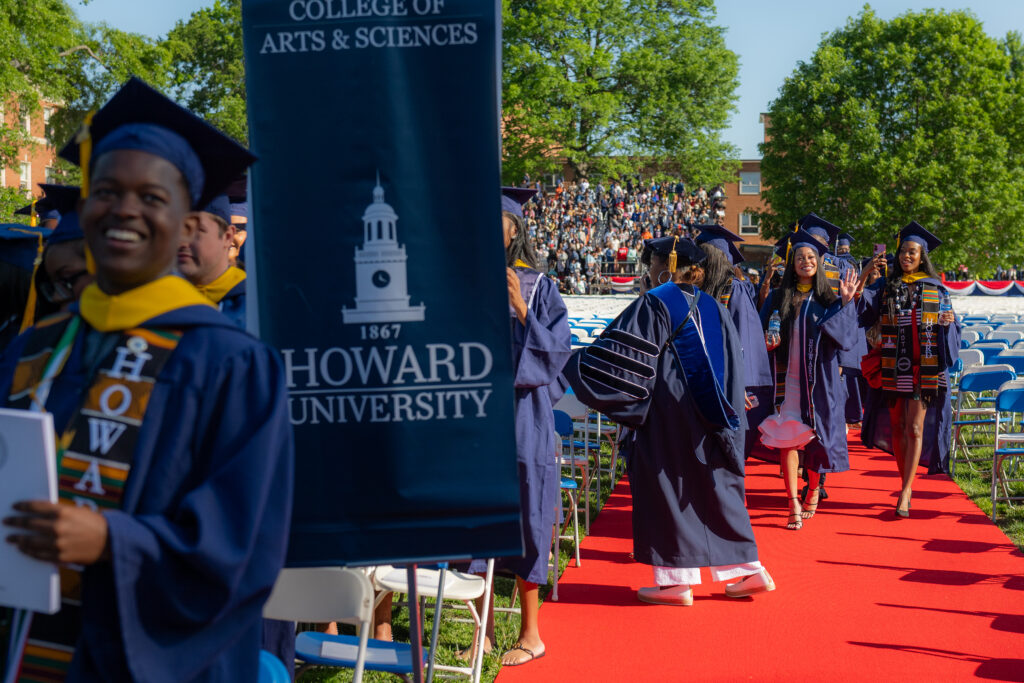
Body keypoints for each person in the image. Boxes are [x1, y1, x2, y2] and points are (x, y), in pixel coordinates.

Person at [0, 77, 293, 682]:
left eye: (151, 196)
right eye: (105, 190)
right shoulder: (37, 349)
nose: (124, 208)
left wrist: (113, 541)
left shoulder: (230, 365)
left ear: (188, 227)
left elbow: (245, 551)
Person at [566, 236, 775, 606]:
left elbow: (622, 354)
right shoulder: (712, 306)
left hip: (668, 411)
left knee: (664, 485)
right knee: (714, 485)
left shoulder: (655, 301)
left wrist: (573, 362)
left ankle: (676, 582)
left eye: (652, 263)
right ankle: (748, 568)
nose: (648, 270)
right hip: (714, 413)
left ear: (667, 265)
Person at [752, 231, 858, 530]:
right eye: (800, 258)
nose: (806, 262)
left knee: (814, 442)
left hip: (819, 381)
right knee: (788, 441)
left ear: (819, 263)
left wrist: (847, 303)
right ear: (792, 263)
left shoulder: (828, 298)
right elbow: (759, 334)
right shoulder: (777, 297)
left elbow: (846, 340)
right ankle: (792, 502)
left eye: (811, 258)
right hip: (787, 381)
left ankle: (811, 488)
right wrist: (767, 341)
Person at [857, 222, 960, 516]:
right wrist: (864, 276)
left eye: (912, 252)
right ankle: (906, 482)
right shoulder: (886, 286)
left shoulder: (936, 287)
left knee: (915, 427)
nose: (906, 256)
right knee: (899, 427)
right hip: (892, 365)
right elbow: (863, 314)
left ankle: (905, 490)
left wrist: (948, 322)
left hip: (924, 367)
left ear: (922, 255)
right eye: (903, 251)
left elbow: (951, 326)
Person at [693, 225, 773, 457]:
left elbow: (746, 339)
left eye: (702, 256)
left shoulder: (734, 289)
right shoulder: (697, 291)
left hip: (726, 383)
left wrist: (742, 387)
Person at [177, 194, 246, 327]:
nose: (183, 243)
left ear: (227, 236)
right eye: (177, 232)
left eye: (196, 233)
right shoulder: (156, 300)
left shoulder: (254, 308)